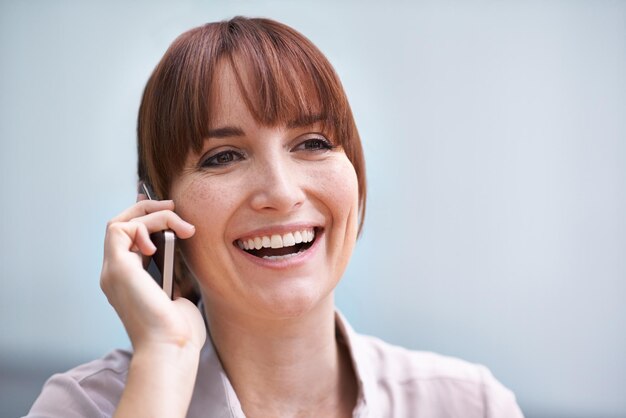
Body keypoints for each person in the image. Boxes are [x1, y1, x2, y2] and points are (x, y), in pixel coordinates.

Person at [27, 16, 524, 418]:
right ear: (157, 214)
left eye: (312, 144)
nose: (282, 194)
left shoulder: (469, 404)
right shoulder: (85, 407)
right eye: (223, 156)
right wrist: (166, 354)